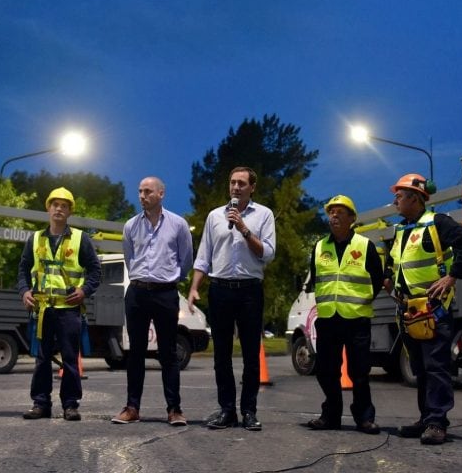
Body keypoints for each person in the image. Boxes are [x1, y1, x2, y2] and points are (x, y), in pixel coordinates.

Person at [384, 173, 462, 445]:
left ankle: (437, 423)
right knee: (421, 368)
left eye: (400, 195)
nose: (395, 200)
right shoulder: (401, 229)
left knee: (436, 366)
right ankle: (427, 418)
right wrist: (387, 277)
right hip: (408, 311)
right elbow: (395, 263)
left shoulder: (437, 223)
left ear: (415, 198)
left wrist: (452, 276)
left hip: (432, 309)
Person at [187, 166, 276, 431]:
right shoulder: (215, 216)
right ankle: (227, 410)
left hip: (249, 290)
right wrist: (194, 288)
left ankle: (249, 411)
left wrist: (245, 229)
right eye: (232, 182)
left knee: (250, 353)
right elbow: (204, 256)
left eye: (241, 183)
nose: (235, 187)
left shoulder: (264, 215)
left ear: (252, 187)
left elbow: (268, 253)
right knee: (221, 355)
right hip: (220, 289)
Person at [111, 177, 194, 426]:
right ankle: (132, 407)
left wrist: (170, 280)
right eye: (139, 191)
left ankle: (174, 409)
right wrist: (141, 278)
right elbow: (129, 257)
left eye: (147, 191)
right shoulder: (130, 226)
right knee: (135, 352)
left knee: (168, 353)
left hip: (165, 293)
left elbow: (186, 259)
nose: (142, 196)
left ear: (161, 194)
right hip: (137, 293)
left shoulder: (178, 224)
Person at [17, 187, 101, 421]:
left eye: (64, 205)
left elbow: (95, 270)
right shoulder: (35, 239)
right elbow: (23, 270)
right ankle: (41, 403)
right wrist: (24, 292)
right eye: (55, 204)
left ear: (69, 211)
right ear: (48, 208)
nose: (59, 208)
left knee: (70, 358)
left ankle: (70, 405)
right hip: (42, 310)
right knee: (42, 359)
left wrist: (84, 291)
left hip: (69, 310)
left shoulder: (80, 238)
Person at [304, 195, 384, 434]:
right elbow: (316, 279)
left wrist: (363, 301)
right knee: (326, 370)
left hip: (357, 318)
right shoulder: (319, 247)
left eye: (341, 212)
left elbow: (377, 279)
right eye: (331, 212)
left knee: (359, 372)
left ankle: (364, 418)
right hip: (328, 319)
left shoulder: (364, 245)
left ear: (352, 218)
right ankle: (331, 415)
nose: (335, 216)